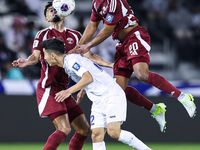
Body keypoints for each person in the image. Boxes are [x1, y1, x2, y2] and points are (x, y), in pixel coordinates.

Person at [70, 0, 197, 132]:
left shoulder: (114, 2)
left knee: (141, 74)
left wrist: (87, 46)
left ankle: (182, 96)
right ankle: (155, 109)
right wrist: (78, 46)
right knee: (118, 92)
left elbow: (107, 31)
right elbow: (92, 26)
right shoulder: (96, 3)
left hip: (134, 36)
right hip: (121, 44)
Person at [12, 2, 112, 150]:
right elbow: (35, 56)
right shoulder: (43, 34)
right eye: (50, 11)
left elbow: (89, 57)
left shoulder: (76, 36)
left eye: (55, 9)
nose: (53, 12)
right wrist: (27, 61)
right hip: (49, 88)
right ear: (46, 18)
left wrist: (110, 65)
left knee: (84, 129)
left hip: (64, 89)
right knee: (64, 128)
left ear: (63, 13)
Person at [41, 37, 152, 150]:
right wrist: (83, 90)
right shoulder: (69, 62)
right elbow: (90, 73)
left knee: (114, 132)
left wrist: (68, 91)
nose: (44, 58)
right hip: (98, 100)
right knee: (96, 135)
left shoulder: (70, 61)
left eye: (44, 54)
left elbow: (88, 78)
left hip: (110, 94)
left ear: (53, 55)